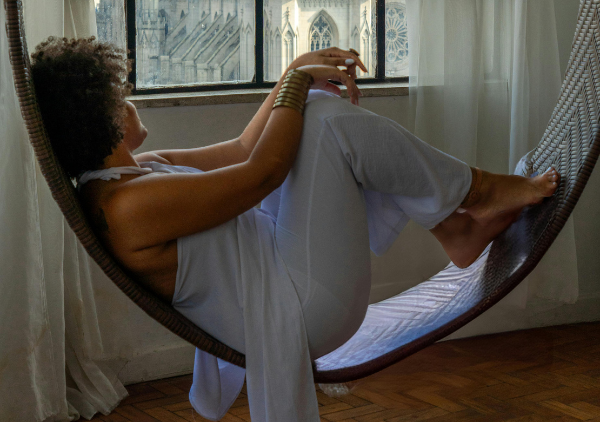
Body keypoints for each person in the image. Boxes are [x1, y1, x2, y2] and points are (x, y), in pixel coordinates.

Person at [31, 37, 558, 422]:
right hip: (300, 309)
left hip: (287, 278)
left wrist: (292, 75)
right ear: (103, 115)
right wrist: (298, 88)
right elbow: (261, 174)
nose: (131, 100)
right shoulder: (127, 207)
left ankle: (455, 228)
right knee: (324, 122)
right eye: (120, 93)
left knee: (317, 113)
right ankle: (479, 192)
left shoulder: (137, 173)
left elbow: (242, 151)